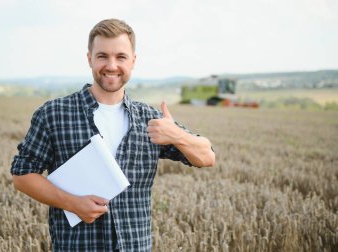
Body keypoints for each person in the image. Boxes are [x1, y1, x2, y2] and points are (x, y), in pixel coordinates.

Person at [11, 18, 215, 251]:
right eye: (102, 56)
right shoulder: (53, 114)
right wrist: (72, 203)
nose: (111, 65)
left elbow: (207, 156)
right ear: (89, 58)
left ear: (133, 61)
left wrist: (177, 135)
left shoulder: (151, 119)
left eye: (120, 57)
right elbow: (22, 175)